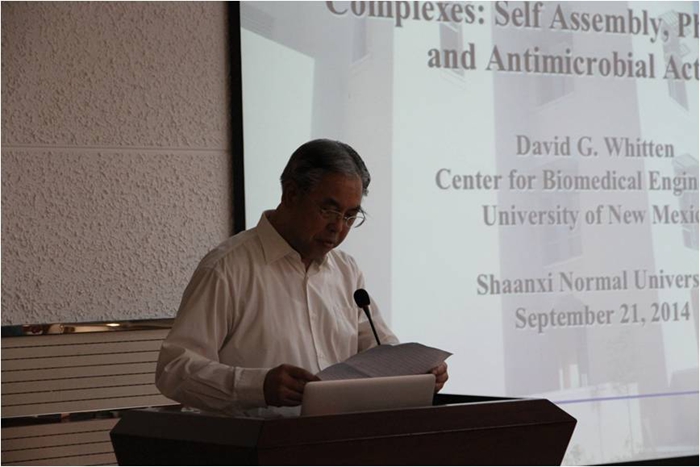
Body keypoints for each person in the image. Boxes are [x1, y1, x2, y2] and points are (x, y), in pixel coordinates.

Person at [156, 139, 448, 417]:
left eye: (350, 215)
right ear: (291, 194)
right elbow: (174, 370)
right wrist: (258, 386)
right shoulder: (227, 268)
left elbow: (378, 355)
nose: (338, 227)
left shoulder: (346, 271)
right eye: (329, 210)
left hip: (336, 440)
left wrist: (416, 374)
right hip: (254, 442)